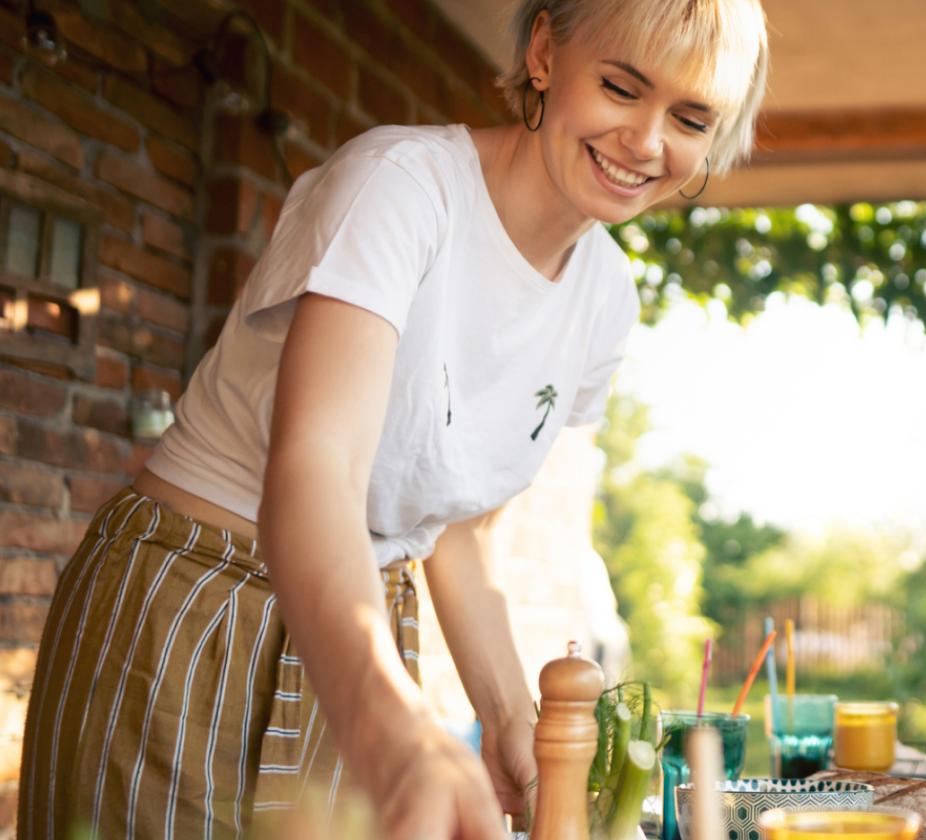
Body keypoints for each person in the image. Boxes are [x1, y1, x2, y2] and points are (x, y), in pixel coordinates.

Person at [18, 0, 768, 836]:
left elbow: (461, 528)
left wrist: (511, 715)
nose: (647, 142)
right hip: (191, 607)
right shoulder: (403, 186)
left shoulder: (607, 299)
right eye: (622, 87)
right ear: (548, 53)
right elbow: (317, 470)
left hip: (360, 634)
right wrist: (389, 720)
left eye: (689, 118)